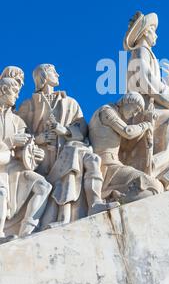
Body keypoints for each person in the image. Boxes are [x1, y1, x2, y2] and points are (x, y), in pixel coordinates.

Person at [18, 64, 117, 227]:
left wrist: (63, 130)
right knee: (74, 155)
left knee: (90, 158)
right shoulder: (28, 106)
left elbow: (82, 128)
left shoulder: (70, 102)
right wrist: (39, 138)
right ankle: (66, 216)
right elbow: (19, 134)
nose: (57, 74)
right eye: (52, 71)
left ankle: (95, 203)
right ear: (43, 76)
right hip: (42, 162)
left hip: (68, 152)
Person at [123, 12, 169, 190]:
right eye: (153, 30)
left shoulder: (146, 53)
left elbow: (154, 82)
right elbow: (147, 79)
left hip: (153, 106)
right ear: (145, 32)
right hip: (144, 111)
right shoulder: (140, 51)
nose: (156, 34)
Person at [89, 92, 164, 203]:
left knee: (156, 187)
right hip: (107, 167)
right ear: (128, 101)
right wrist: (146, 124)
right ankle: (114, 197)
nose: (134, 114)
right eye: (135, 110)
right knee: (153, 186)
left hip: (112, 165)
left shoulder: (113, 114)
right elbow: (127, 132)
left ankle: (116, 196)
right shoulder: (107, 111)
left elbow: (127, 144)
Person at [0, 77, 51, 241]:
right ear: (3, 91)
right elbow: (11, 144)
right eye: (14, 92)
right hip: (1, 168)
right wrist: (10, 141)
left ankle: (26, 234)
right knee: (1, 193)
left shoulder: (17, 121)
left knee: (43, 186)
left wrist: (35, 155)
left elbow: (25, 150)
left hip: (14, 168)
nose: (17, 96)